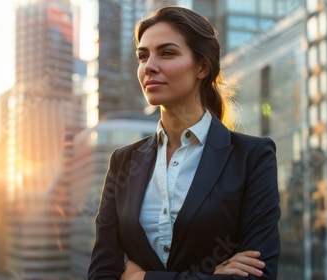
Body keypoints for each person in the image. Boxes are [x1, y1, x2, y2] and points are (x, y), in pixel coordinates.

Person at [88, 6, 280, 280]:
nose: (149, 66)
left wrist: (141, 278)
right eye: (143, 56)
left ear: (202, 67)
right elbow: (100, 273)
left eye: (167, 53)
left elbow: (257, 274)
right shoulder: (123, 161)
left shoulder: (252, 156)